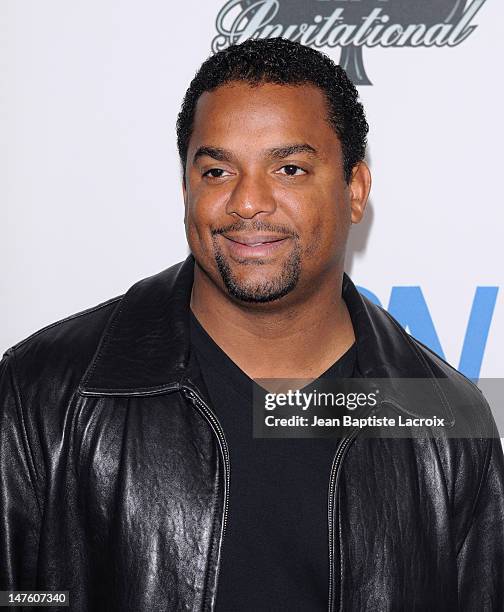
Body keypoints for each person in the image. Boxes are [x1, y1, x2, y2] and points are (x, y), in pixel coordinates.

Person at [1, 38, 503, 612]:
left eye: (288, 169)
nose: (247, 202)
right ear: (186, 185)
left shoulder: (445, 420)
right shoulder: (43, 391)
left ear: (355, 189)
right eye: (217, 170)